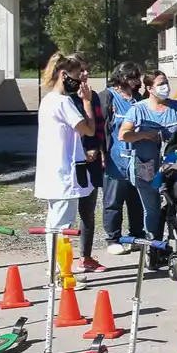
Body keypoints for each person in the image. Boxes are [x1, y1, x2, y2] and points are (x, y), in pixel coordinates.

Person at [118, 69, 177, 241]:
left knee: (176, 204)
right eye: (160, 84)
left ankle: (176, 239)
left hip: (174, 167)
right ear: (150, 88)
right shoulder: (138, 110)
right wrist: (144, 134)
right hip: (146, 166)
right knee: (152, 209)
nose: (165, 87)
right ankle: (153, 244)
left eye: (166, 83)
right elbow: (123, 134)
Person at [34, 52, 96, 251]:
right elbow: (89, 129)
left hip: (53, 170)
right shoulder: (63, 102)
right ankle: (60, 273)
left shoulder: (47, 100)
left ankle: (56, 270)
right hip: (64, 172)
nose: (79, 81)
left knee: (55, 223)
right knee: (62, 226)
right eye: (77, 76)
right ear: (63, 75)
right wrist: (87, 102)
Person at [57, 53, 107, 272]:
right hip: (72, 161)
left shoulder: (92, 96)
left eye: (87, 70)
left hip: (92, 160)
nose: (85, 74)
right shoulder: (64, 99)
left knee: (88, 211)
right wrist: (83, 150)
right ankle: (60, 262)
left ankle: (85, 257)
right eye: (81, 71)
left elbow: (96, 126)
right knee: (66, 213)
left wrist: (98, 149)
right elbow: (72, 131)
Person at [100, 62, 144, 255]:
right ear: (122, 78)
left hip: (138, 158)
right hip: (115, 157)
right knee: (114, 200)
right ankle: (113, 239)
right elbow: (101, 128)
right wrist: (101, 152)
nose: (136, 81)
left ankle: (136, 235)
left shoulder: (138, 98)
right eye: (132, 77)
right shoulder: (108, 96)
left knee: (137, 200)